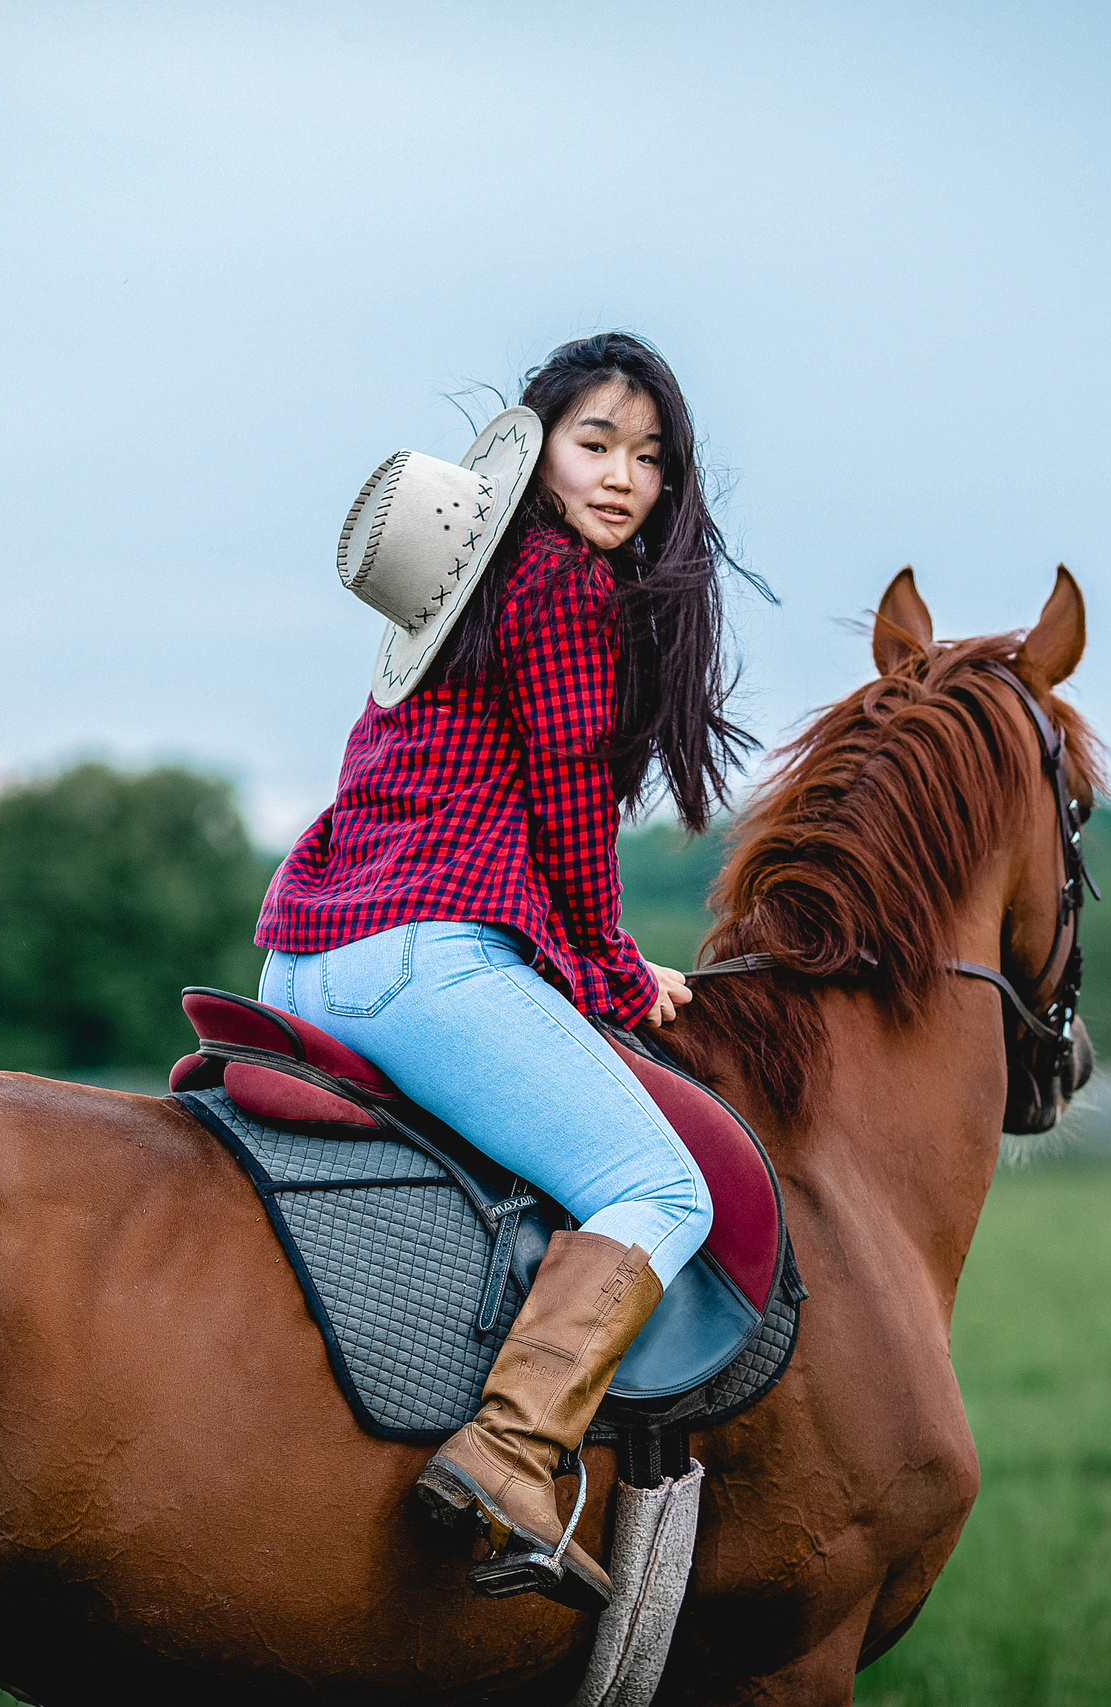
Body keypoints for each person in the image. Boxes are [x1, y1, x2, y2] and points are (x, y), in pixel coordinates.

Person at [256, 331, 758, 1609]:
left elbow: (464, 814)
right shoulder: (566, 590)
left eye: (649, 458)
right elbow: (571, 814)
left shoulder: (456, 594)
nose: (623, 479)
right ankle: (512, 1451)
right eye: (594, 444)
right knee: (660, 1186)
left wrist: (592, 954)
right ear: (535, 453)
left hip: (302, 966)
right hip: (420, 965)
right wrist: (606, 976)